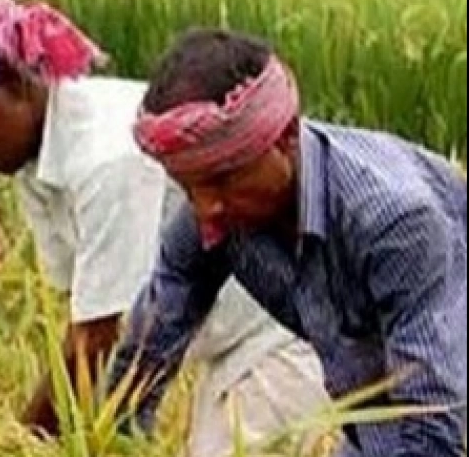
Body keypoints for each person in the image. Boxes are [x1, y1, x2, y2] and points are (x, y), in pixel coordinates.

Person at [0, 0, 330, 456]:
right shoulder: (31, 164)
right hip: (227, 350)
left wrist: (14, 446)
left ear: (17, 83)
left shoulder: (106, 159)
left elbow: (97, 338)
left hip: (281, 336)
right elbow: (83, 319)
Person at [104, 27, 467, 456]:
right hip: (374, 422)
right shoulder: (215, 218)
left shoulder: (393, 220)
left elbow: (431, 423)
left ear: (286, 137)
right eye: (189, 189)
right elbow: (147, 351)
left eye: (221, 181)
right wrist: (111, 441)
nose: (206, 209)